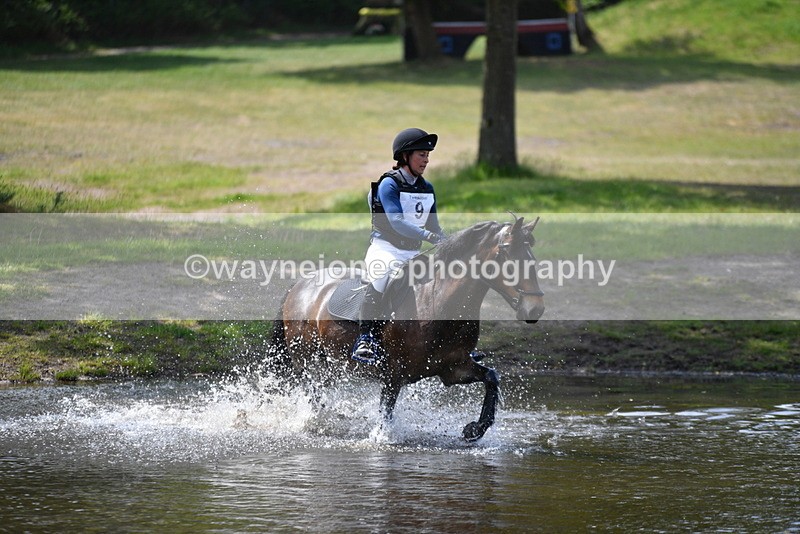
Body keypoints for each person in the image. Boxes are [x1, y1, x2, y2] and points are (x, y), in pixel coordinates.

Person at [352, 127, 445, 364]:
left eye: (427, 155)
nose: (426, 160)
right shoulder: (389, 184)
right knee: (381, 277)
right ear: (405, 156)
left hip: (413, 252)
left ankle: (450, 342)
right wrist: (429, 236)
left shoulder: (426, 188)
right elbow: (397, 222)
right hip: (386, 249)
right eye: (421, 155)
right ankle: (365, 338)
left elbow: (434, 225)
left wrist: (447, 240)